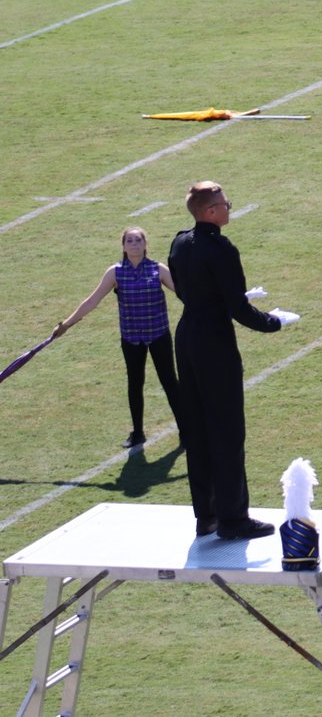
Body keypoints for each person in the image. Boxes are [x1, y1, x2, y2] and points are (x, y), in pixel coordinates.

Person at [169, 181, 288, 540]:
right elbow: (238, 308)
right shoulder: (221, 248)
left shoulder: (179, 242)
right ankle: (233, 518)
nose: (229, 208)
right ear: (210, 212)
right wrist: (273, 321)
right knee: (226, 430)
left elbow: (189, 290)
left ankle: (206, 516)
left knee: (198, 430)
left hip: (186, 337)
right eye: (225, 204)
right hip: (214, 342)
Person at [53, 227, 181, 449]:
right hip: (131, 338)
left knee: (169, 382)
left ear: (145, 244)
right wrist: (67, 324)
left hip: (158, 335)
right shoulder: (115, 272)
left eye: (138, 240)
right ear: (123, 246)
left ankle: (186, 431)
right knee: (135, 383)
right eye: (129, 241)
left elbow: (184, 292)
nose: (134, 244)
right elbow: (92, 301)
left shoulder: (158, 269)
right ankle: (138, 432)